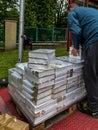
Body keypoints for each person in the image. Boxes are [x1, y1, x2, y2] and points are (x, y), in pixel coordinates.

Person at [67, 3, 98, 118]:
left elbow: (76, 31)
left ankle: (94, 109)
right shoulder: (91, 11)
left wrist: (75, 46)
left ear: (70, 10)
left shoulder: (72, 14)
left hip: (95, 41)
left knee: (90, 75)